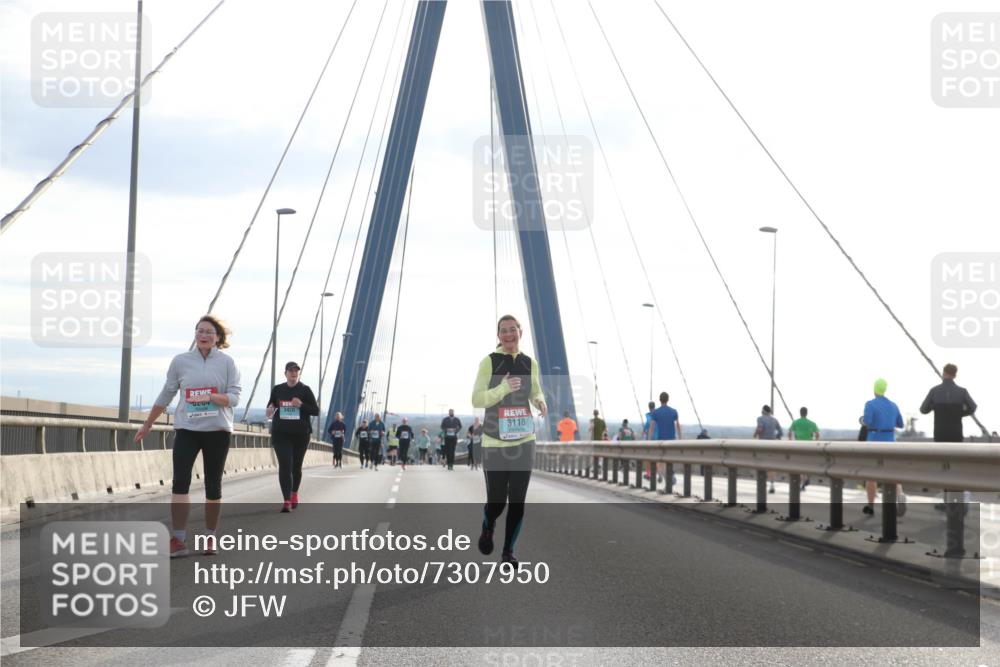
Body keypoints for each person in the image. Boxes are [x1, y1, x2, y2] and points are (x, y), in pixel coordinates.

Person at [134, 315, 241, 558]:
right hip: (187, 430)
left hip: (217, 431)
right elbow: (167, 394)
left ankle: (210, 538)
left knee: (213, 486)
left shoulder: (227, 363)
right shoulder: (181, 361)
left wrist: (212, 398)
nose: (203, 335)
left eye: (209, 332)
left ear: (218, 338)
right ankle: (179, 540)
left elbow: (234, 398)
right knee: (180, 484)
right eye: (199, 331)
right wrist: (148, 423)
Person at [472, 314, 547, 566]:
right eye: (503, 330)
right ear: (498, 335)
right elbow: (477, 399)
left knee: (517, 499)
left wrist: (540, 401)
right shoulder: (489, 362)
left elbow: (535, 390)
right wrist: (503, 388)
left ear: (520, 332)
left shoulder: (529, 363)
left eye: (512, 329)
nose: (508, 334)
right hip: (494, 442)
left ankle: (508, 552)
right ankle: (488, 523)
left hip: (524, 440)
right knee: (497, 501)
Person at [266, 361, 319, 513]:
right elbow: (271, 405)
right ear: (285, 373)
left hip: (300, 435)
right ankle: (286, 500)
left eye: (296, 370)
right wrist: (269, 409)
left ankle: (294, 493)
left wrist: (301, 405)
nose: (293, 373)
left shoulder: (305, 390)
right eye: (290, 370)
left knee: (296, 466)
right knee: (285, 465)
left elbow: (315, 410)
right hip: (281, 433)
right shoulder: (278, 389)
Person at [861, 378, 905, 516]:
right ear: (885, 389)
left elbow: (867, 421)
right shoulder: (893, 405)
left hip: (874, 441)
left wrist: (861, 420)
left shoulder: (870, 404)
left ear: (875, 389)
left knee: (871, 476)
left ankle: (871, 506)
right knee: (893, 474)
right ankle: (900, 496)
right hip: (890, 441)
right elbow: (901, 424)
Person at [919, 364, 978, 442]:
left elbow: (923, 410)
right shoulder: (962, 391)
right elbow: (973, 407)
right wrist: (960, 413)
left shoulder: (934, 391)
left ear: (943, 373)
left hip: (939, 435)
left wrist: (934, 406)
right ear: (955, 376)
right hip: (956, 435)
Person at [788, 406, 820, 490]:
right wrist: (815, 442)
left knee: (799, 464)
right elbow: (817, 434)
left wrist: (791, 441)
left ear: (800, 413)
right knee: (807, 464)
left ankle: (803, 481)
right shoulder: (812, 423)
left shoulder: (795, 422)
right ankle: (805, 480)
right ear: (807, 413)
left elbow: (789, 433)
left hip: (798, 446)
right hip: (809, 446)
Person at [754, 404, 783, 493]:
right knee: (771, 465)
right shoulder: (775, 420)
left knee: (760, 463)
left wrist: (755, 434)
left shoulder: (760, 418)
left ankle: (762, 483)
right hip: (773, 444)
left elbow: (760, 429)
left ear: (763, 411)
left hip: (763, 444)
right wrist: (776, 437)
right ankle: (772, 484)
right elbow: (781, 432)